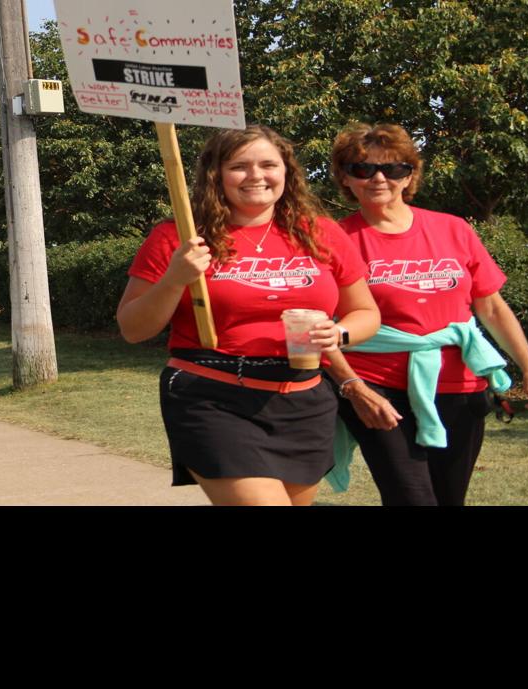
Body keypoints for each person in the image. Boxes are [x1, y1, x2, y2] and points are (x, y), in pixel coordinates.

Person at [118, 124, 381, 506]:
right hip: (214, 397)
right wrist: (174, 280)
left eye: (268, 165)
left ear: (286, 171)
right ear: (216, 175)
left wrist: (338, 334)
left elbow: (365, 312)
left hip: (304, 400)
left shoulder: (320, 232)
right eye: (240, 166)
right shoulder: (179, 236)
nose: (256, 176)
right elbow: (132, 328)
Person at [324, 123, 528, 506]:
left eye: (393, 168)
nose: (378, 178)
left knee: (450, 498)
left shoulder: (453, 229)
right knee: (411, 497)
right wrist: (352, 387)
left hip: (458, 387)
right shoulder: (335, 239)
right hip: (377, 385)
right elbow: (322, 322)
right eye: (363, 169)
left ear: (410, 175)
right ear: (345, 178)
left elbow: (492, 307)